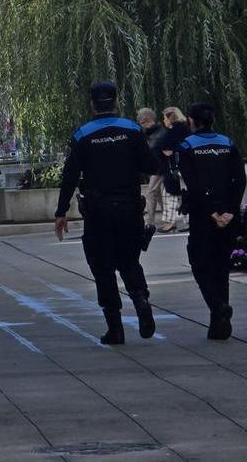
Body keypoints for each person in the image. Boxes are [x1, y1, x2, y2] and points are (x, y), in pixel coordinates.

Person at [55, 82, 157, 345]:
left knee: (102, 267)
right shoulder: (133, 130)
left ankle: (115, 327)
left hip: (99, 210)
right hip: (129, 207)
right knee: (129, 260)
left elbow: (70, 175)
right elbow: (149, 165)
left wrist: (61, 211)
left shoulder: (83, 134)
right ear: (115, 102)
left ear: (92, 104)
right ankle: (141, 299)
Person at [179, 103, 247, 340]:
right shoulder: (227, 143)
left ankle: (217, 307)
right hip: (229, 216)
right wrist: (229, 211)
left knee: (200, 264)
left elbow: (193, 184)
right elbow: (239, 180)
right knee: (221, 268)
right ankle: (219, 325)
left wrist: (212, 212)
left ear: (192, 121)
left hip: (203, 216)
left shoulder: (187, 146)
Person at [157, 107, 192, 232]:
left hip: (175, 168)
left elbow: (164, 147)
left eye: (165, 118)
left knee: (171, 195)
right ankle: (184, 222)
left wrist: (167, 151)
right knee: (181, 194)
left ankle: (171, 222)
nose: (163, 120)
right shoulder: (184, 129)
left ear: (170, 118)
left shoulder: (175, 130)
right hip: (180, 168)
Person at [137, 108, 165, 229]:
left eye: (145, 122)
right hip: (153, 167)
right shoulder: (144, 133)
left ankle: (150, 221)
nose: (143, 125)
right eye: (141, 123)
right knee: (157, 194)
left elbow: (157, 150)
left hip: (160, 167)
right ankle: (169, 215)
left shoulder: (161, 132)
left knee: (151, 192)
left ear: (151, 119)